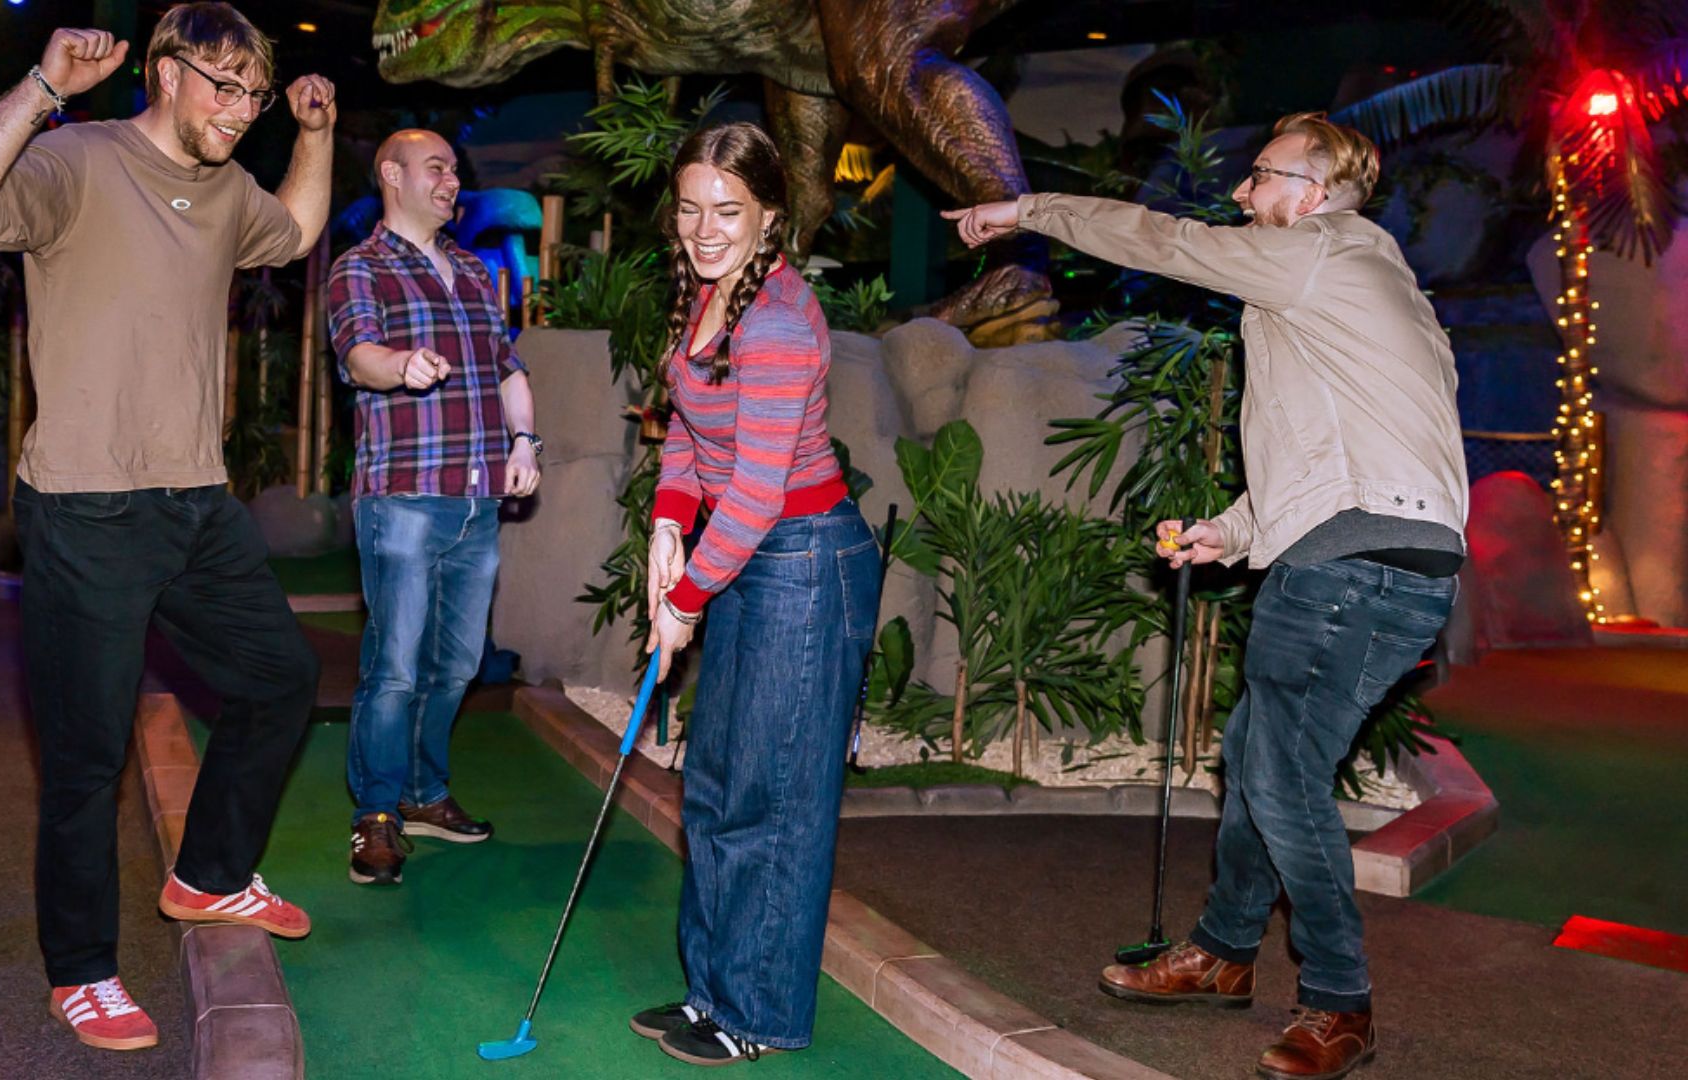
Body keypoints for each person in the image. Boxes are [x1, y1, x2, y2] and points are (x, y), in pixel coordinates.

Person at [946, 112, 1466, 1080]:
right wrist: (1235, 530)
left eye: (1260, 177)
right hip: (1394, 562)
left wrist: (1029, 208)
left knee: (1279, 780)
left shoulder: (1315, 252)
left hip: (1353, 570)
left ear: (1310, 194)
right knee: (1260, 754)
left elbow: (1163, 241)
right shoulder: (1363, 284)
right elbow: (1341, 452)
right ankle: (1225, 951)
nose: (1241, 195)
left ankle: (1339, 1002)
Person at [0, 3, 335, 1053]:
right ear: (164, 70)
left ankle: (209, 877)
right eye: (221, 83)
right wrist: (47, 87)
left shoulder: (230, 190)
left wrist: (316, 135)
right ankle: (82, 972)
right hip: (88, 507)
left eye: (253, 89)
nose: (239, 108)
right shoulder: (80, 162)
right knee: (87, 752)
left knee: (280, 676)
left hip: (195, 502)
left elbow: (298, 230)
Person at [625, 121, 881, 1067]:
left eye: (727, 211)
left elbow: (761, 487)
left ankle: (754, 1013)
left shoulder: (773, 320)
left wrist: (685, 596)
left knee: (771, 801)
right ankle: (710, 991)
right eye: (691, 208)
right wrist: (663, 522)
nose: (704, 227)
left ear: (770, 214)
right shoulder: (703, 299)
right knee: (717, 786)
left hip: (805, 563)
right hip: (749, 555)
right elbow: (692, 437)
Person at [326, 130, 540, 887]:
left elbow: (507, 366)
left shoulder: (477, 271)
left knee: (455, 664)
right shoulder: (361, 268)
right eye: (438, 168)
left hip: (479, 500)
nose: (454, 180)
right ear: (392, 175)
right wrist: (400, 367)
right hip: (404, 498)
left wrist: (524, 442)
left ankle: (423, 792)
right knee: (394, 666)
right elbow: (358, 356)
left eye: (455, 169)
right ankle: (376, 814)